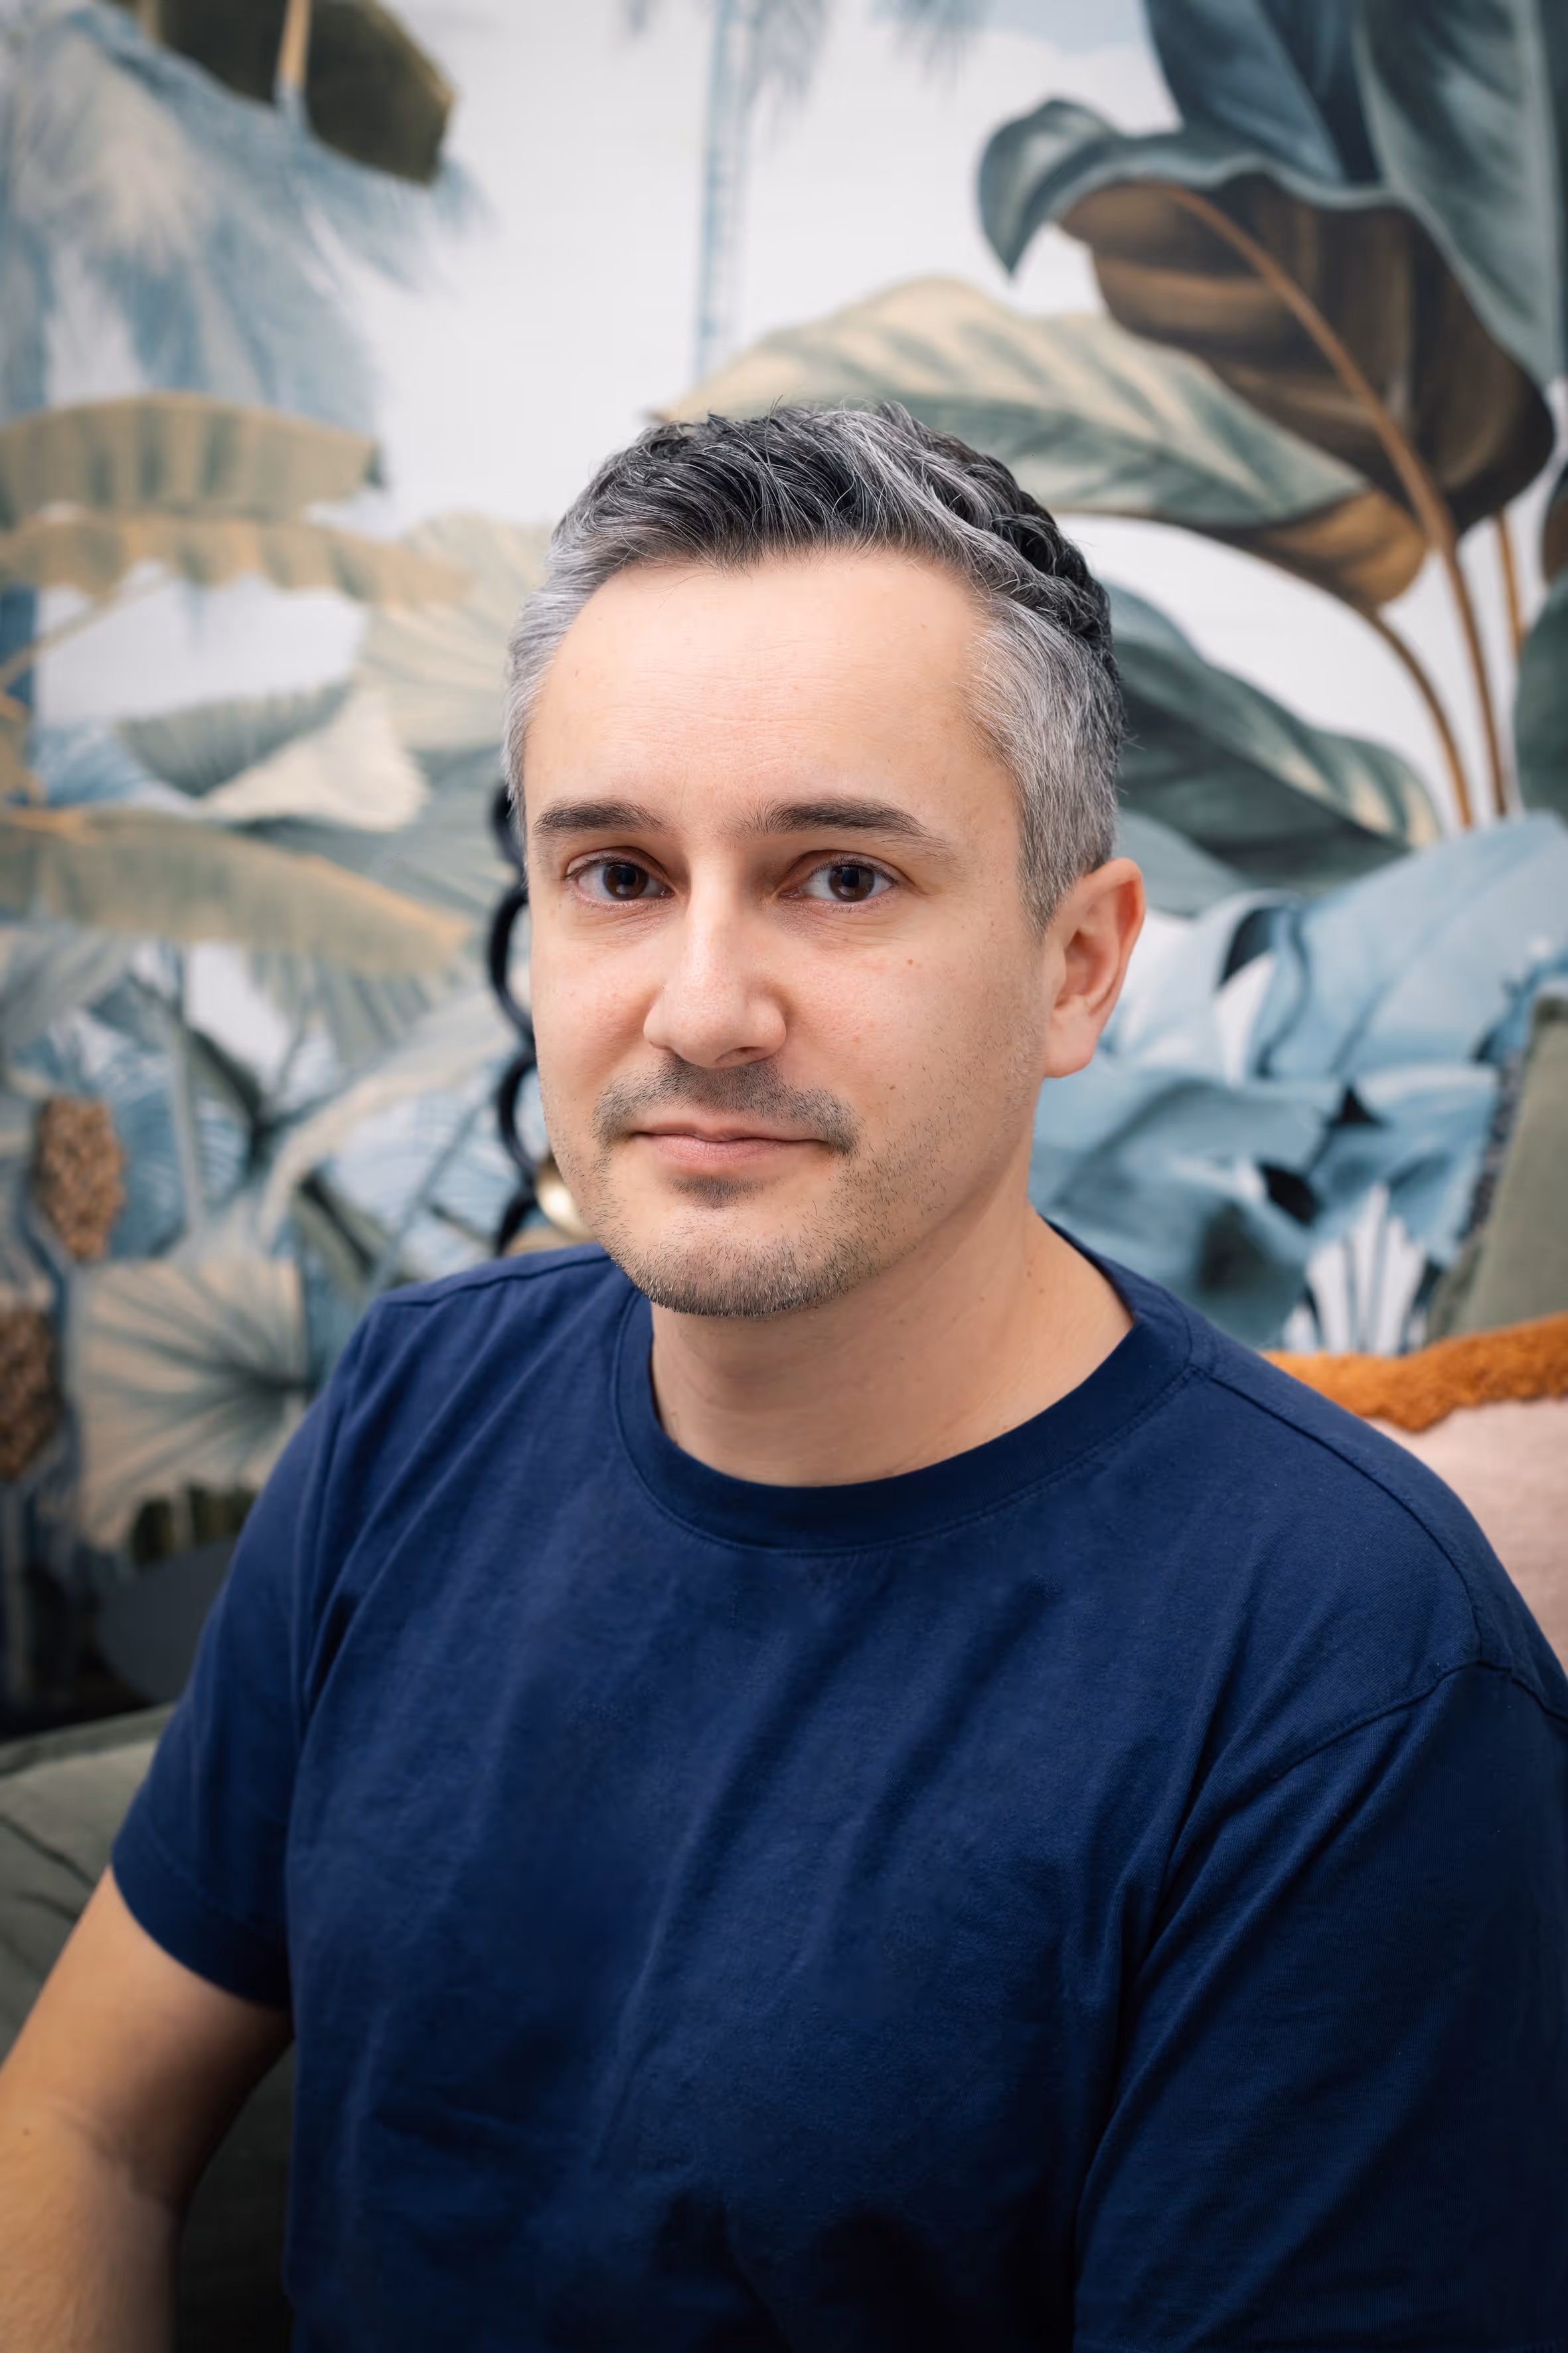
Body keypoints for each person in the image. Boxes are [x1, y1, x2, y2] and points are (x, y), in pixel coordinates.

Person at [1, 407, 1564, 2353]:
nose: (703, 1009)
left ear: (1076, 964)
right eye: (619, 873)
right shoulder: (416, 1410)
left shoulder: (1349, 1672)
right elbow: (84, 2125)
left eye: (838, 879)